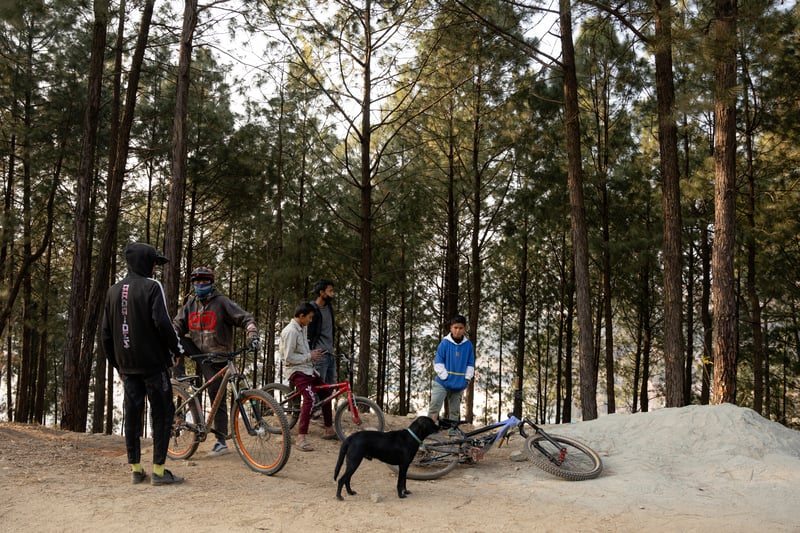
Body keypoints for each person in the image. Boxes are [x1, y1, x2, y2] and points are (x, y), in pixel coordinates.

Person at [101, 242, 185, 486]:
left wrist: (117, 365)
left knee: (133, 414)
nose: (155, 269)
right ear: (144, 262)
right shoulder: (151, 286)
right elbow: (163, 322)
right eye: (153, 263)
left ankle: (136, 469)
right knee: (162, 414)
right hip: (153, 365)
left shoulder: (113, 290)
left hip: (127, 366)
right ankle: (159, 471)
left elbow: (106, 333)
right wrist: (177, 349)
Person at [173, 266, 259, 458]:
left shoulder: (222, 302)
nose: (200, 285)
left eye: (204, 282)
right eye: (197, 282)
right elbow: (178, 324)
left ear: (211, 283)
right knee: (174, 339)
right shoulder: (191, 303)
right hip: (199, 353)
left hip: (219, 356)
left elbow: (246, 318)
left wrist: (252, 333)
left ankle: (220, 441)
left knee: (216, 396)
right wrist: (171, 336)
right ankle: (179, 377)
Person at [279, 302, 337, 451]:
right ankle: (300, 438)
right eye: (309, 318)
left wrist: (312, 355)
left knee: (326, 393)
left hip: (307, 369)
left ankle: (329, 429)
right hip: (296, 370)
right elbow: (288, 358)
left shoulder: (302, 328)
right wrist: (309, 356)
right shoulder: (290, 331)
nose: (311, 321)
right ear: (301, 316)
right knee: (310, 398)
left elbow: (304, 352)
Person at [426, 315, 475, 422]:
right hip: (442, 382)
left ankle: (452, 431)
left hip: (459, 383)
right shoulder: (444, 343)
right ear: (451, 328)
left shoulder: (468, 346)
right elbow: (438, 362)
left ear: (464, 329)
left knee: (455, 411)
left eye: (461, 328)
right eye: (455, 328)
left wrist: (466, 379)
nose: (458, 331)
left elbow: (470, 364)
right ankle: (428, 430)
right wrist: (445, 377)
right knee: (435, 406)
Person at [307, 278, 337, 385]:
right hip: (319, 356)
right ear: (322, 293)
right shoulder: (311, 309)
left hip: (330, 354)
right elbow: (307, 333)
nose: (333, 294)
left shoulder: (329, 307)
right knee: (318, 390)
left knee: (329, 390)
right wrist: (309, 352)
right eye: (330, 291)